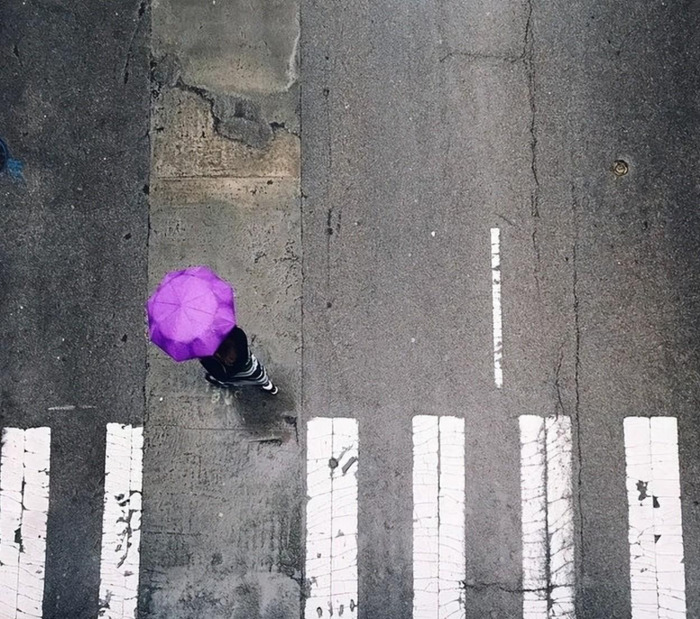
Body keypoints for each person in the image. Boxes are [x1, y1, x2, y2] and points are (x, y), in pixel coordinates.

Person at [199, 326, 278, 394]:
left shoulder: (211, 360)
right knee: (261, 377)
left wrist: (203, 357)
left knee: (229, 381)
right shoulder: (238, 335)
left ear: (218, 355)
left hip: (236, 375)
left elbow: (222, 377)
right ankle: (271, 388)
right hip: (251, 366)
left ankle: (225, 385)